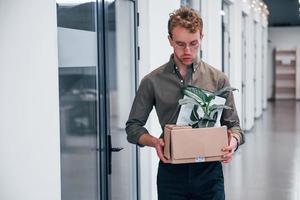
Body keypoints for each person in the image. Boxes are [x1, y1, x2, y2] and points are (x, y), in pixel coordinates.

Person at [126, 7, 245, 200]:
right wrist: (155, 142)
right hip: (171, 173)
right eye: (180, 44)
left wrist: (232, 143)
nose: (187, 51)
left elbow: (235, 127)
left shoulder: (218, 79)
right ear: (170, 40)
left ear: (201, 38)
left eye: (193, 43)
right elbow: (133, 128)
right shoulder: (152, 81)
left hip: (209, 173)